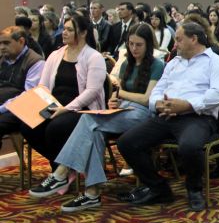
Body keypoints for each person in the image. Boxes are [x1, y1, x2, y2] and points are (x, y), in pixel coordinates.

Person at [30, 23, 164, 211]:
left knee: (88, 119)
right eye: (131, 44)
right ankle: (92, 193)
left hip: (143, 115)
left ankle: (62, 171)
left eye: (139, 45)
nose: (134, 49)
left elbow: (146, 99)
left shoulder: (157, 64)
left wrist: (121, 93)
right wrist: (114, 101)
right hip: (124, 111)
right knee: (95, 132)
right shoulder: (127, 63)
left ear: (148, 45)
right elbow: (118, 95)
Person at [116, 22, 219, 212]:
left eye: (179, 39)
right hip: (167, 116)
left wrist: (186, 105)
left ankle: (194, 189)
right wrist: (159, 103)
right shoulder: (173, 63)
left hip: (198, 117)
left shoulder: (214, 62)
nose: (175, 44)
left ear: (193, 39)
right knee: (126, 142)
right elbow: (157, 91)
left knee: (190, 146)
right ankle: (158, 187)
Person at [19, 14, 106, 175]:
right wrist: (33, 106)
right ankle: (63, 167)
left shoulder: (94, 57)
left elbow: (92, 92)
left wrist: (66, 109)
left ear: (83, 33)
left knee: (55, 128)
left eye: (69, 30)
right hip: (55, 105)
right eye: (64, 29)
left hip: (82, 109)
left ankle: (60, 171)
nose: (64, 33)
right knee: (28, 126)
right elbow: (43, 86)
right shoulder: (56, 55)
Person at [0, 26, 45, 137]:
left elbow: (29, 96)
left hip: (22, 108)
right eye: (0, 43)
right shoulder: (3, 58)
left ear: (21, 41)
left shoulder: (35, 62)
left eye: (6, 43)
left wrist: (1, 109)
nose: (2, 47)